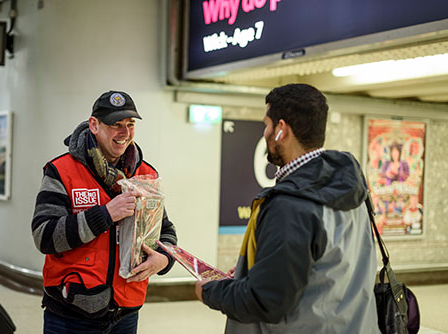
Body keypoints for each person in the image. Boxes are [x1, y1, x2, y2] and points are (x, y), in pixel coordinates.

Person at [195, 84, 379, 333]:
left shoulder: (290, 205)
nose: (265, 133)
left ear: (281, 130)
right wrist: (255, 272)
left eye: (267, 125)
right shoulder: (352, 185)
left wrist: (210, 291)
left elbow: (267, 301)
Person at [31, 90, 178, 334]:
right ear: (94, 125)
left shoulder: (146, 174)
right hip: (71, 316)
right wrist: (106, 214)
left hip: (126, 314)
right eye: (115, 125)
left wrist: (165, 259)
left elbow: (166, 231)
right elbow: (44, 235)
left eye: (130, 125)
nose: (125, 133)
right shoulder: (61, 170)